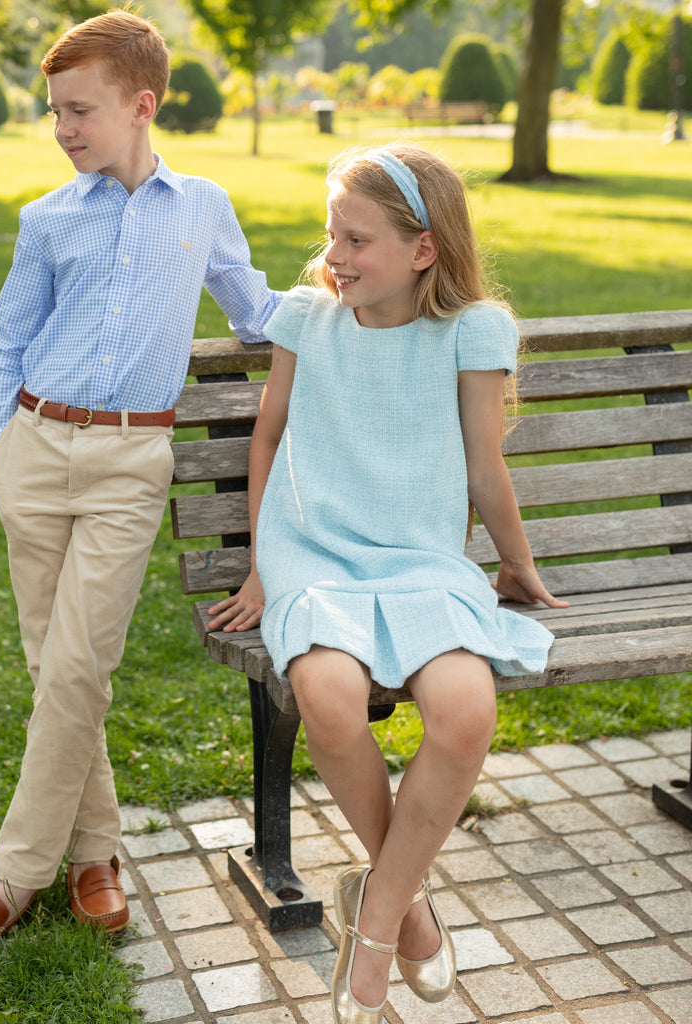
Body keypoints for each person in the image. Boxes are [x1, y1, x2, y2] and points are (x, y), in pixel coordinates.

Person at [0, 9, 280, 957]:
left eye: (80, 110)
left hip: (132, 463)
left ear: (141, 104)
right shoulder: (47, 219)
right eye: (54, 113)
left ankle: (16, 876)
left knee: (80, 668)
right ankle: (97, 857)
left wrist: (359, 293)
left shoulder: (201, 206)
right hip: (37, 451)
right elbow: (7, 341)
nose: (63, 128)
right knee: (56, 670)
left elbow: (256, 312)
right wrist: (5, 447)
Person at [206, 143, 568, 1023]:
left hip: (421, 560)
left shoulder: (471, 330)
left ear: (423, 249)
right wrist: (263, 563)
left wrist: (515, 567)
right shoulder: (307, 318)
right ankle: (402, 917)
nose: (337, 255)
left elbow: (485, 466)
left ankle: (373, 912)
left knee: (465, 710)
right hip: (315, 553)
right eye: (333, 233)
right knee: (326, 696)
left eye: (358, 239)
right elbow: (267, 440)